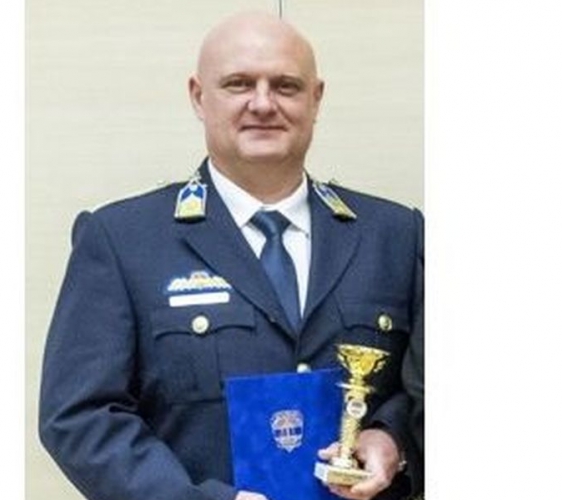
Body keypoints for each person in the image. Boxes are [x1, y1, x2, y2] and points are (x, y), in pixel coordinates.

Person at [39, 11, 424, 500]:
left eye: (285, 86)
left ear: (316, 98)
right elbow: (79, 416)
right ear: (199, 96)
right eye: (239, 84)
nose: (262, 103)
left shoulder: (395, 236)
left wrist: (394, 438)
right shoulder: (123, 240)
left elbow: (427, 387)